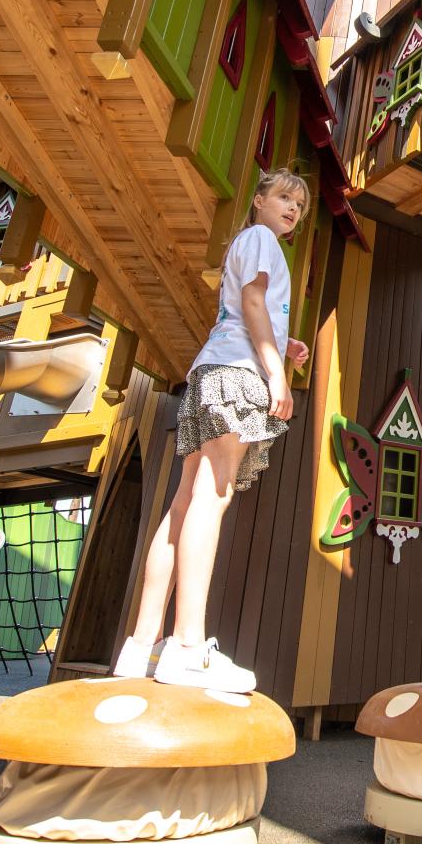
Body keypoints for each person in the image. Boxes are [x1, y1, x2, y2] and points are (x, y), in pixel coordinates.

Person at [113, 171, 312, 690]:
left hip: (209, 371)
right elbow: (252, 304)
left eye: (301, 204)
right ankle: (187, 646)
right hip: (238, 375)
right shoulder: (264, 239)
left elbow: (242, 311)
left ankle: (141, 646)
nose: (293, 208)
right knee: (211, 497)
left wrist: (285, 344)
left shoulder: (246, 243)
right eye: (285, 197)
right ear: (259, 200)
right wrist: (276, 373)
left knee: (183, 503)